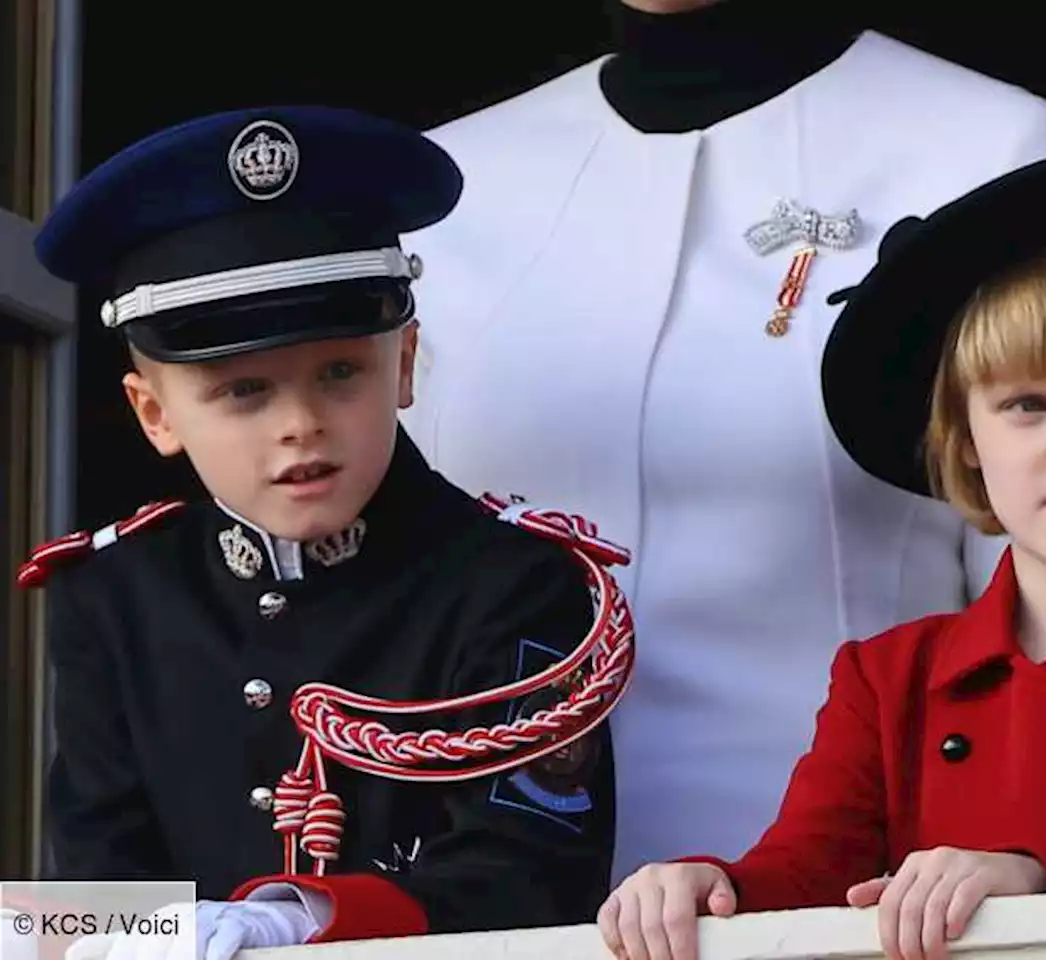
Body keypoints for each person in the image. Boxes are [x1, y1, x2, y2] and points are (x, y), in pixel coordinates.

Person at [398, 0, 1046, 881]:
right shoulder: (443, 186)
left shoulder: (991, 148)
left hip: (870, 905)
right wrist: (183, 923)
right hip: (480, 912)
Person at [597, 138, 1046, 960]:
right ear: (965, 443)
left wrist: (1028, 881)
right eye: (1027, 405)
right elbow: (804, 871)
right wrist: (709, 885)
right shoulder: (887, 678)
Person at [21, 105, 633, 958]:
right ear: (155, 415)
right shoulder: (116, 594)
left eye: (341, 372)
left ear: (405, 364)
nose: (301, 424)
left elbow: (538, 872)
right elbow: (86, 888)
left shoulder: (516, 582)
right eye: (243, 392)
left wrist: (304, 921)